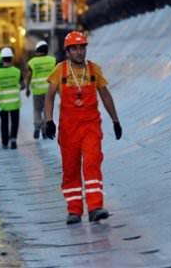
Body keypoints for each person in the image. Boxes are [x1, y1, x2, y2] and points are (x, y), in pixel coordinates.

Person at [44, 31, 122, 225]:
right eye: (75, 49)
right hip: (69, 130)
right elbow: (50, 96)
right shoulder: (60, 71)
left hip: (90, 127)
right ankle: (74, 210)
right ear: (68, 52)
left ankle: (95, 207)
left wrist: (115, 120)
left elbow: (105, 95)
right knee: (70, 170)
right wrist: (48, 120)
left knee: (91, 163)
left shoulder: (93, 70)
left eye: (82, 48)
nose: (79, 52)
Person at [0, 47, 24, 149]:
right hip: (15, 102)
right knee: (15, 121)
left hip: (2, 103)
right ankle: (13, 139)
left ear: (2, 59)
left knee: (4, 123)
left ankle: (5, 141)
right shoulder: (17, 72)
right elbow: (23, 85)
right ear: (12, 58)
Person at [24, 40, 57, 139]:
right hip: (49, 90)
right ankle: (45, 130)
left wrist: (27, 88)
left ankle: (37, 126)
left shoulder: (32, 62)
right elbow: (56, 75)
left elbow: (29, 76)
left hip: (37, 90)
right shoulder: (52, 60)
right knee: (47, 110)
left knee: (37, 110)